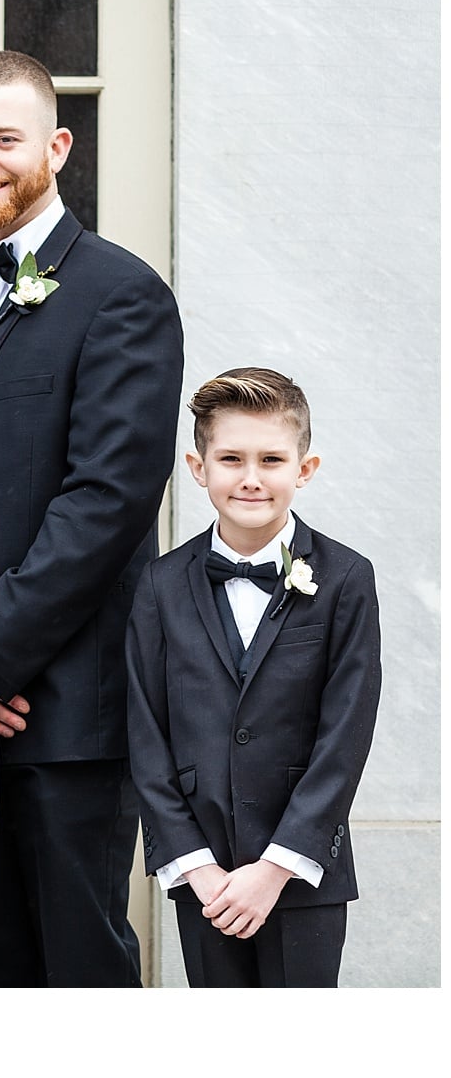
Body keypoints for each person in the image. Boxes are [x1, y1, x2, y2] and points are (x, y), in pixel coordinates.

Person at [0, 49, 184, 987]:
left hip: (64, 711)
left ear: (57, 145)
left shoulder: (123, 297)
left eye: (4, 139)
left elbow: (104, 507)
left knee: (76, 965)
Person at [129, 369, 380, 987]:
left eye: (271, 459)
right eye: (230, 458)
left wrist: (277, 866)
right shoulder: (161, 584)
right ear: (197, 466)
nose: (250, 477)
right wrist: (195, 867)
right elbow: (146, 729)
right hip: (204, 875)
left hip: (303, 870)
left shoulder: (347, 578)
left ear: (305, 468)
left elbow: (346, 732)